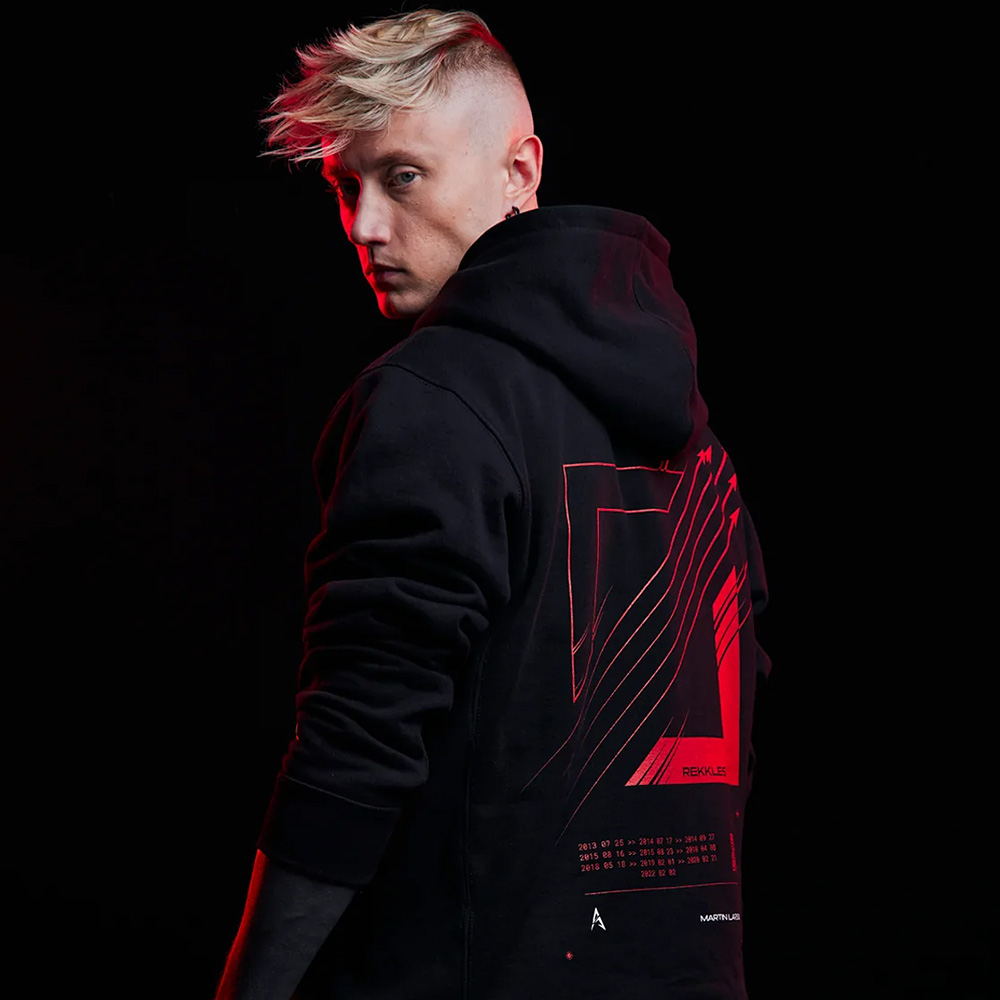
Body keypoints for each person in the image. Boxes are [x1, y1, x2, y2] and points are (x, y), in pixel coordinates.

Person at [216, 9, 771, 1000]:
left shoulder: (429, 399)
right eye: (347, 187)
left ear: (521, 171)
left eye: (403, 177)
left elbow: (356, 742)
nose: (365, 226)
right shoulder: (698, 441)